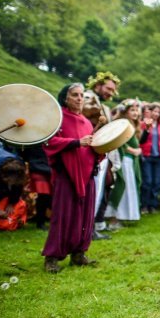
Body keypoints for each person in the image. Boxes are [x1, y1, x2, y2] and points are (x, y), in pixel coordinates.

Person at [42, 83, 103, 273]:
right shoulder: (58, 118)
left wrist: (102, 147)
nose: (79, 98)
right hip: (66, 173)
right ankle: (52, 257)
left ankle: (79, 254)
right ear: (65, 97)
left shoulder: (86, 121)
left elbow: (92, 146)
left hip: (87, 174)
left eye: (82, 95)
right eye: (75, 95)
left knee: (85, 216)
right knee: (63, 215)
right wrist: (76, 142)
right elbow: (49, 141)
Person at [83, 71, 121, 241]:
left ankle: (90, 228)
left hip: (101, 155)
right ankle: (85, 229)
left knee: (98, 192)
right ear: (97, 85)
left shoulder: (102, 105)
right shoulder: (87, 99)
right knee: (92, 192)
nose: (110, 93)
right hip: (89, 153)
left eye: (113, 91)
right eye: (108, 89)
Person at [105, 100, 142, 225]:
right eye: (132, 110)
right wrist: (133, 150)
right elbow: (119, 141)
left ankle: (124, 215)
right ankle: (114, 217)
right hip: (124, 159)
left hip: (131, 161)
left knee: (129, 187)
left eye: (137, 110)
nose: (135, 112)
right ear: (125, 112)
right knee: (122, 186)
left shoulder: (133, 124)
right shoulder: (123, 124)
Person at [139, 103, 160, 214]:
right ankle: (144, 205)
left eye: (158, 112)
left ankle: (153, 205)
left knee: (156, 182)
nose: (156, 114)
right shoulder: (143, 124)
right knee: (147, 182)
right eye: (154, 111)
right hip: (147, 156)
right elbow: (141, 140)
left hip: (159, 157)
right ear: (150, 112)